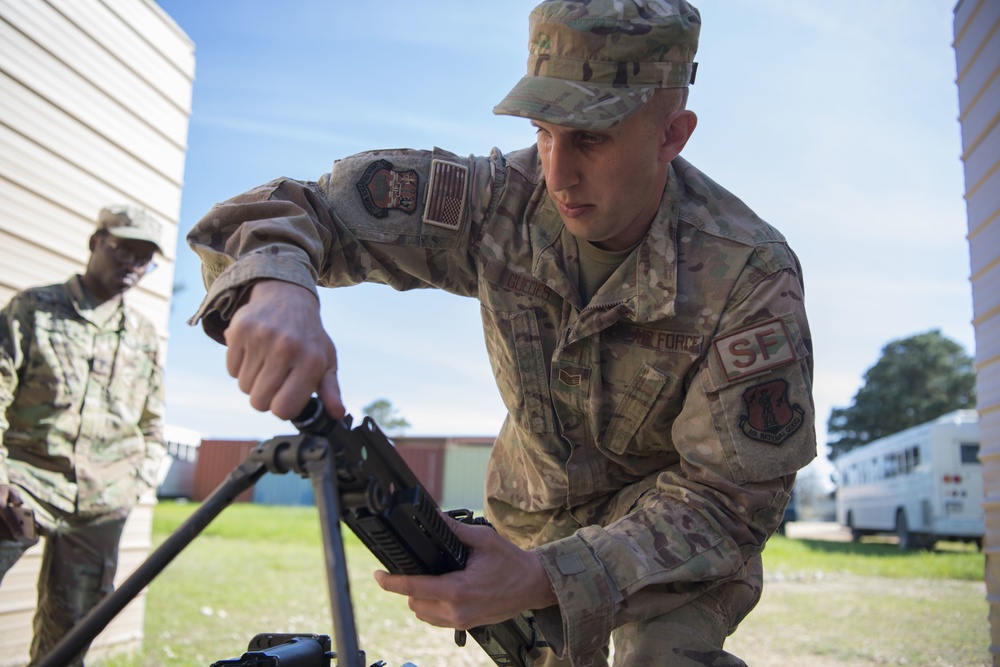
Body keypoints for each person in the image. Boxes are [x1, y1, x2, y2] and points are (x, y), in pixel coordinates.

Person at [186, 1, 816, 664]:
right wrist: (279, 284)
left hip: (670, 535)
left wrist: (549, 577)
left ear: (672, 134)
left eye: (592, 137)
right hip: (532, 515)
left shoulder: (748, 275)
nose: (557, 172)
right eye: (544, 129)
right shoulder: (496, 203)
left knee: (662, 655)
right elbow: (293, 208)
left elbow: (729, 502)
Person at [0, 205, 167, 666]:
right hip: (26, 482)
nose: (133, 265)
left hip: (103, 499)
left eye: (144, 258)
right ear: (96, 243)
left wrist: (138, 481)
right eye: (123, 250)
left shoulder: (144, 335)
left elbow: (152, 421)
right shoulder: (32, 308)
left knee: (71, 633)